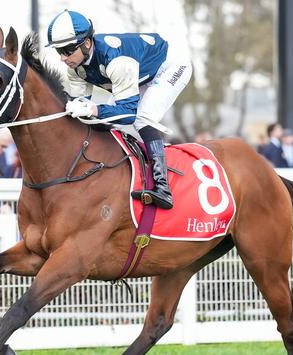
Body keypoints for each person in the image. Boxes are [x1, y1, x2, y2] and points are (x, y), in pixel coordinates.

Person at [46, 9, 192, 209]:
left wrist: (93, 109)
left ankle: (163, 187)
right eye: (58, 51)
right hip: (140, 74)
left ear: (87, 43)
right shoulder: (75, 70)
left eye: (68, 50)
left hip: (170, 66)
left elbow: (128, 115)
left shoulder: (116, 60)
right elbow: (85, 113)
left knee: (142, 118)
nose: (63, 58)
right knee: (114, 124)